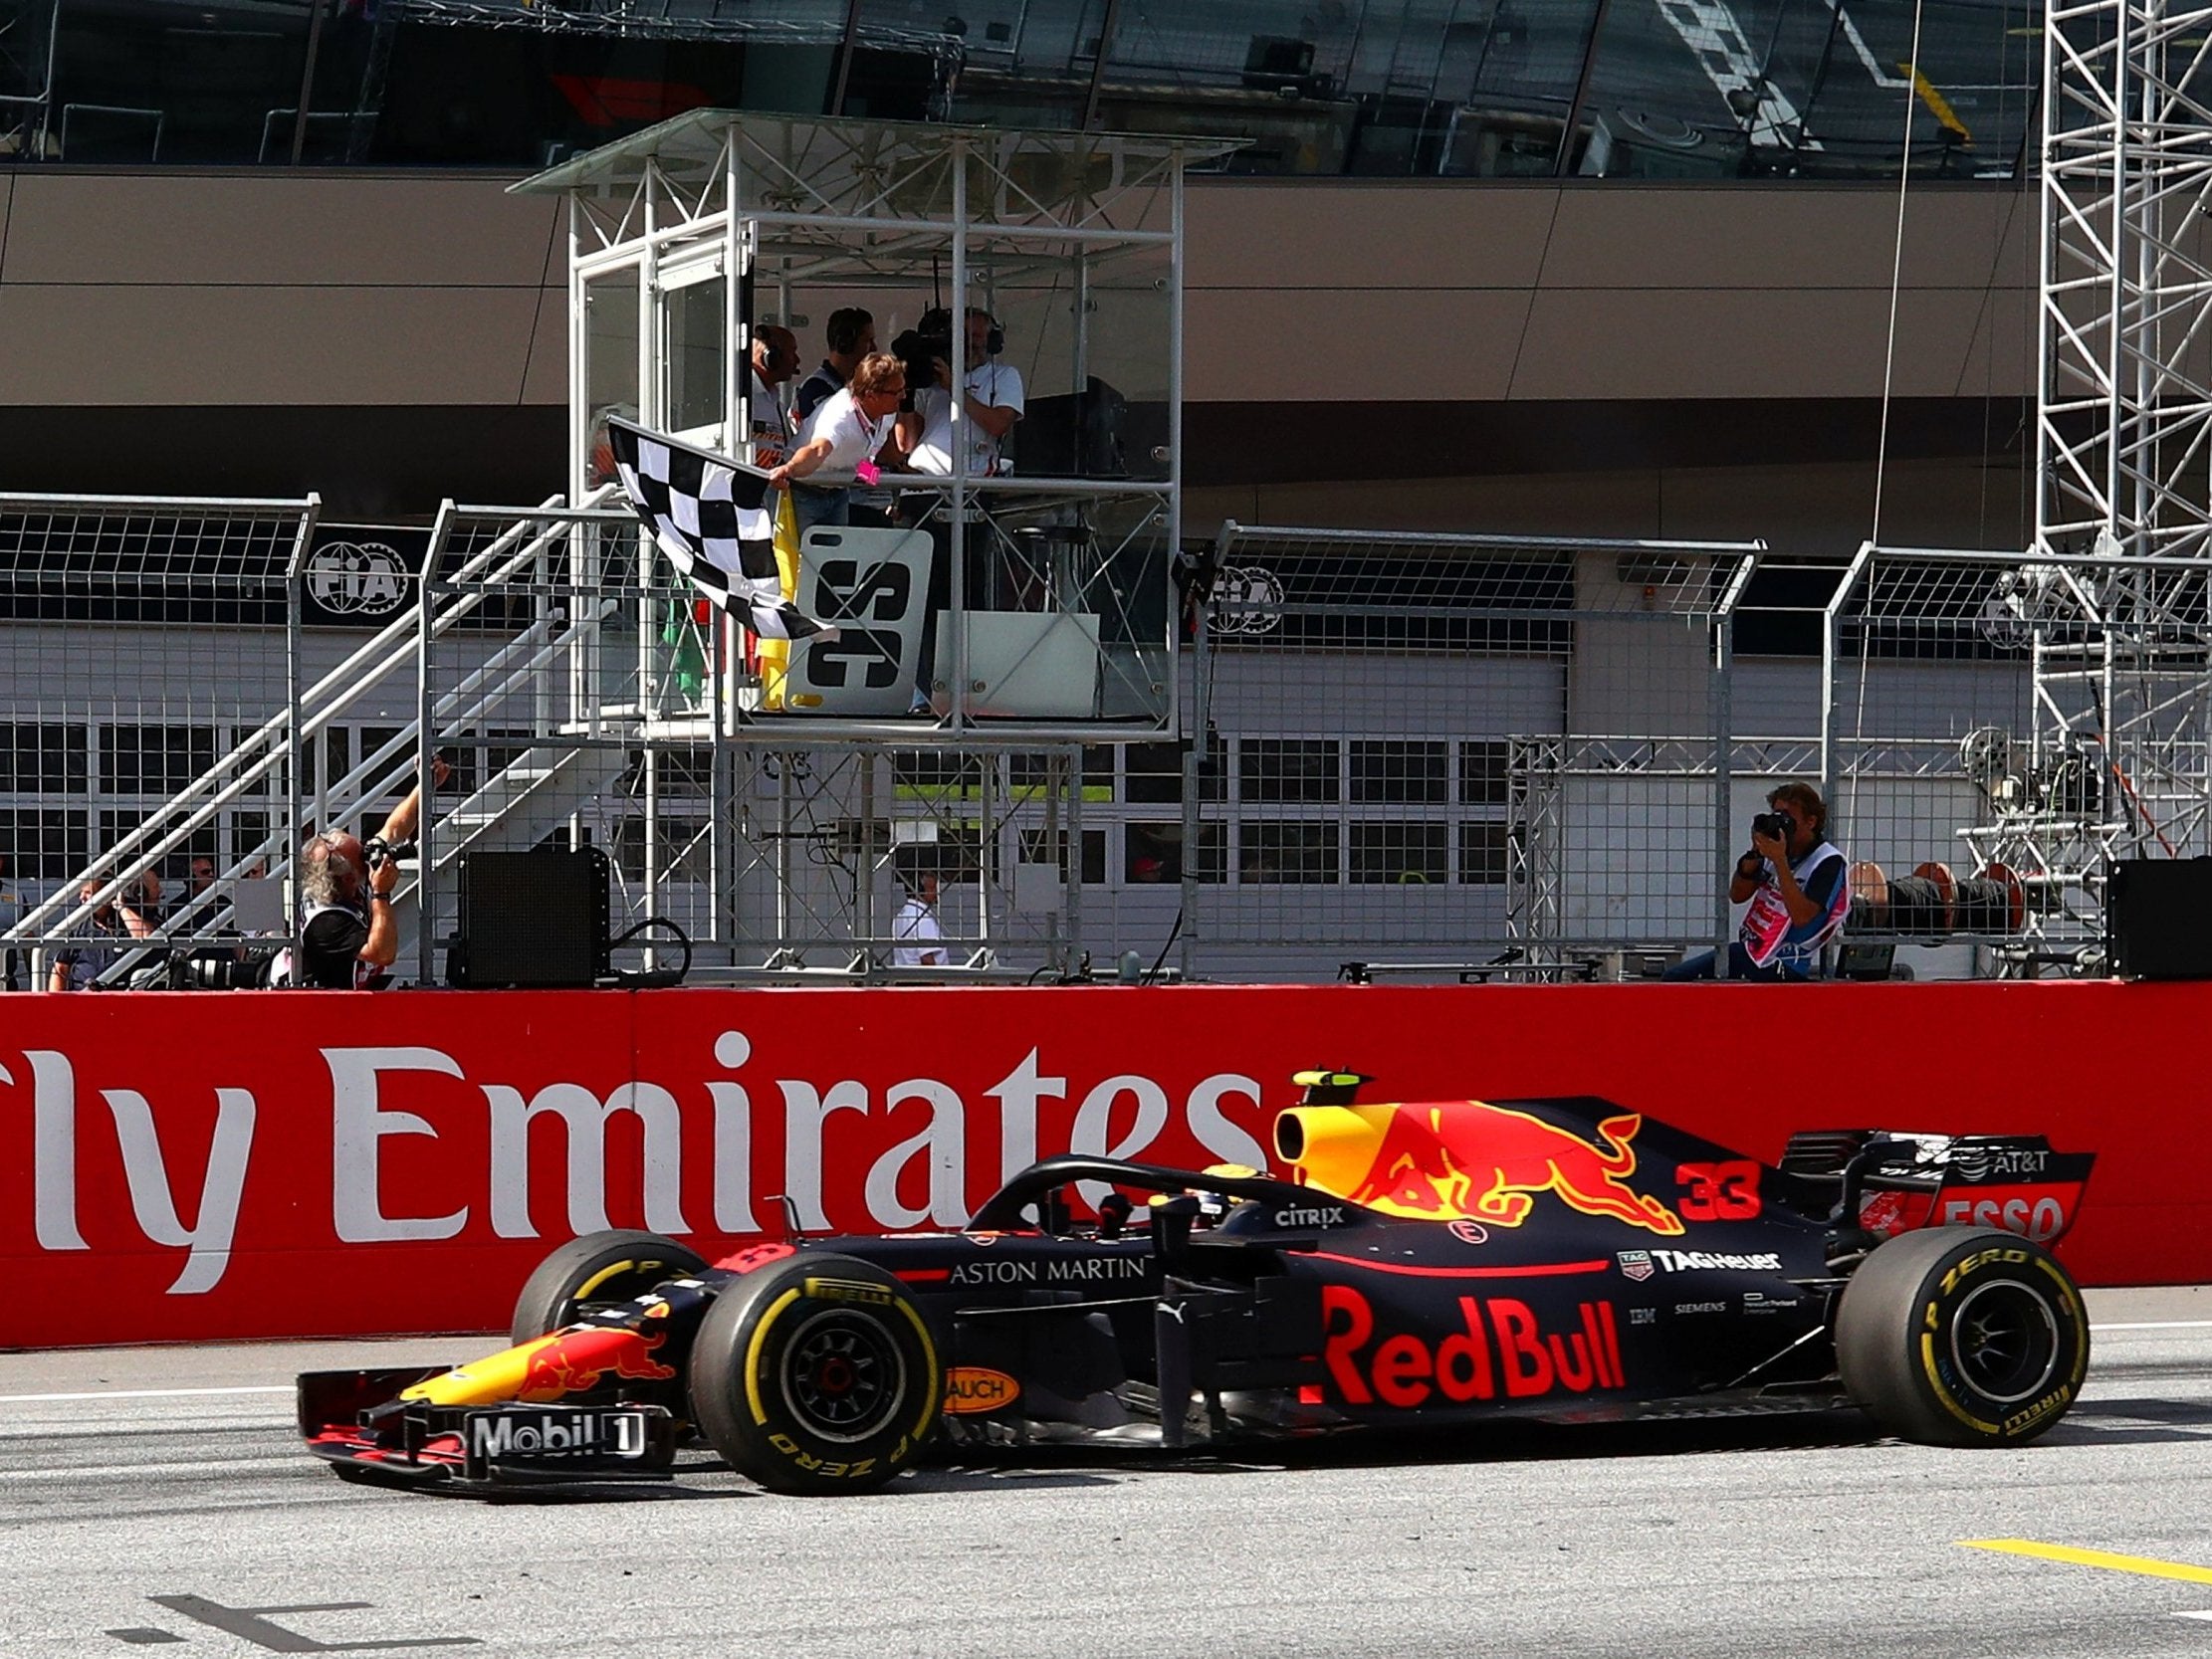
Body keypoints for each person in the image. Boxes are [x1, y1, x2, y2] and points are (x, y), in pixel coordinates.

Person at [895, 307, 1026, 709]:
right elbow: (904, 444)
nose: (970, 345)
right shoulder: (928, 383)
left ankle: (960, 688)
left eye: (978, 338)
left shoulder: (1002, 377)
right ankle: (918, 688)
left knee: (964, 597)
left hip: (970, 496)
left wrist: (955, 389)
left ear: (993, 341)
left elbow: (998, 423)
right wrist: (907, 391)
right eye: (962, 338)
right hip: (922, 495)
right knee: (920, 598)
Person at [277, 762, 441, 988]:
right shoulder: (327, 921)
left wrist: (425, 785)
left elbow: (393, 830)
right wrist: (381, 894)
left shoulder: (341, 886)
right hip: (312, 1004)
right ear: (348, 878)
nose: (369, 859)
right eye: (363, 858)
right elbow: (382, 954)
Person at [1665, 780, 1850, 981]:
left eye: (1787, 817)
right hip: (1753, 950)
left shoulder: (1828, 862)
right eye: (1776, 815)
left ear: (1810, 822)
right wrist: (1755, 853)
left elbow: (1802, 917)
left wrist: (1779, 861)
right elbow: (1737, 895)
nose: (1781, 823)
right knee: (1675, 977)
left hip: (1784, 963)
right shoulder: (1776, 850)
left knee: (1679, 978)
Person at [770, 352, 907, 537]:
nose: (903, 396)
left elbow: (860, 463)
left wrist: (898, 483)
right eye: (896, 392)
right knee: (799, 562)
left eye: (903, 389)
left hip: (838, 492)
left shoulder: (887, 413)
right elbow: (818, 449)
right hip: (801, 491)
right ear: (871, 395)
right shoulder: (840, 415)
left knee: (835, 562)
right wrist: (790, 469)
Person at [794, 310, 893, 526]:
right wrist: (875, 478)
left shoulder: (872, 398)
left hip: (844, 495)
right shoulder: (818, 388)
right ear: (845, 342)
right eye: (868, 341)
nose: (874, 348)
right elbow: (832, 455)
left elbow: (872, 457)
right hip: (813, 494)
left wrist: (887, 482)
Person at [50, 870, 161, 991]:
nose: (82, 898)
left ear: (106, 895)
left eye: (88, 893)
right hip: (83, 1000)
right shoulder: (78, 920)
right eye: (81, 892)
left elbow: (148, 940)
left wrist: (121, 907)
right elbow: (60, 968)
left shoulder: (133, 912)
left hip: (124, 998)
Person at [747, 324, 801, 469]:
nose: (797, 360)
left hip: (768, 486)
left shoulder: (775, 400)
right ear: (771, 357)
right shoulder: (743, 396)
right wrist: (868, 475)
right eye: (792, 352)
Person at [892, 870, 947, 968]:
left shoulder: (901, 915)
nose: (936, 893)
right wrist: (937, 982)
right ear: (919, 890)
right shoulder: (923, 918)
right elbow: (927, 958)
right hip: (924, 980)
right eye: (932, 888)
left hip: (903, 975)